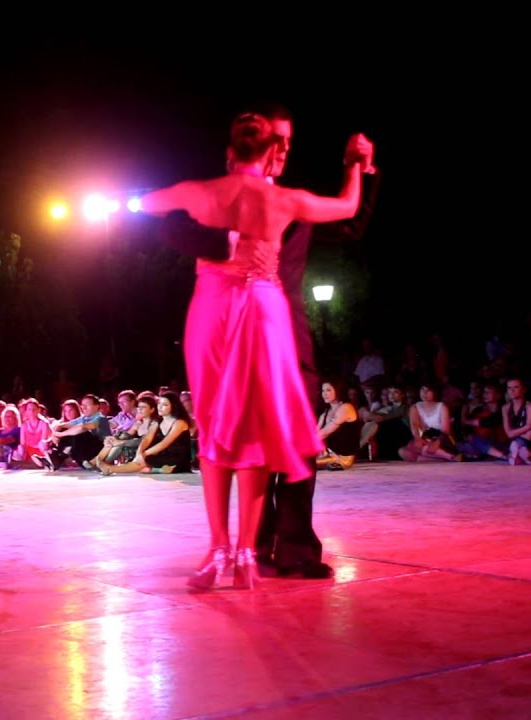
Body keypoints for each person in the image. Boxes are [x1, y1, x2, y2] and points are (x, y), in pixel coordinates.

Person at [141, 106, 371, 589]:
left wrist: (209, 233)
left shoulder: (202, 191)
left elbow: (143, 205)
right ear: (268, 151)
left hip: (224, 313)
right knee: (255, 432)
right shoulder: (285, 199)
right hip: (267, 316)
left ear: (231, 153)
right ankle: (246, 550)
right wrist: (355, 166)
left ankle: (230, 548)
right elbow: (348, 207)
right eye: (279, 144)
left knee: (224, 427)